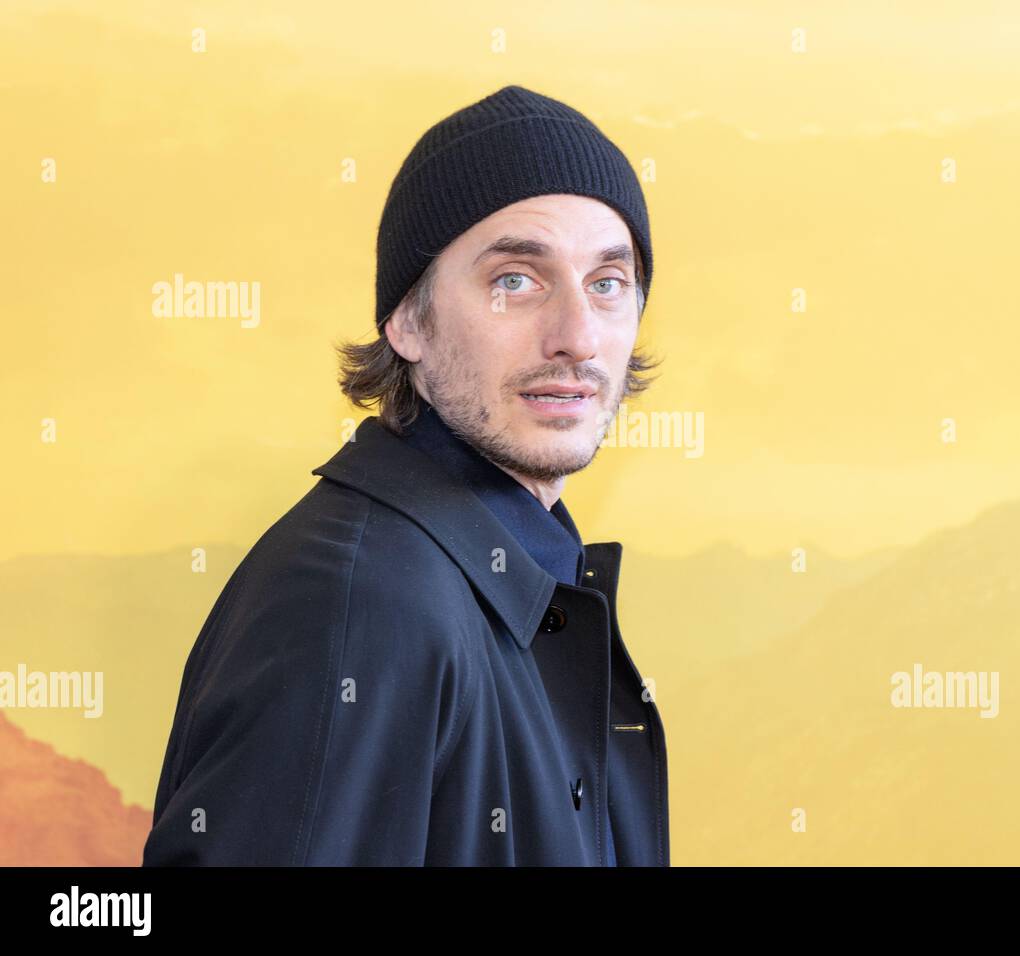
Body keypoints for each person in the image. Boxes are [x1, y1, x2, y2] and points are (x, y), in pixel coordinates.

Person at [142, 85, 669, 866]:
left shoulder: (522, 577)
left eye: (607, 283)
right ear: (407, 321)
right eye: (515, 280)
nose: (577, 336)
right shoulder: (360, 606)